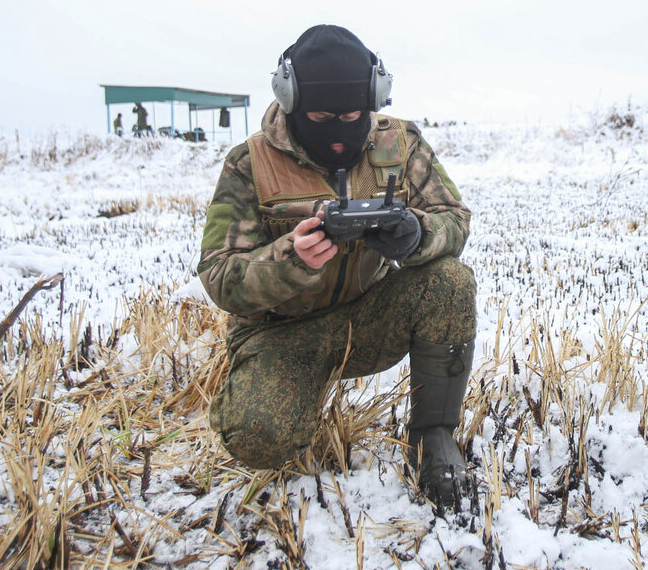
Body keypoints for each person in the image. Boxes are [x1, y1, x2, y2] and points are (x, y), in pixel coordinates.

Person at [197, 25, 475, 505]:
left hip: (366, 319)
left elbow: (454, 218)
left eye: (352, 116)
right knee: (258, 436)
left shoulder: (398, 145)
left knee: (450, 281)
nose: (339, 131)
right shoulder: (250, 164)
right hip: (279, 335)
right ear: (290, 102)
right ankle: (290, 394)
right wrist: (289, 259)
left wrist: (416, 234)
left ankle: (434, 438)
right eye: (322, 117)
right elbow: (219, 275)